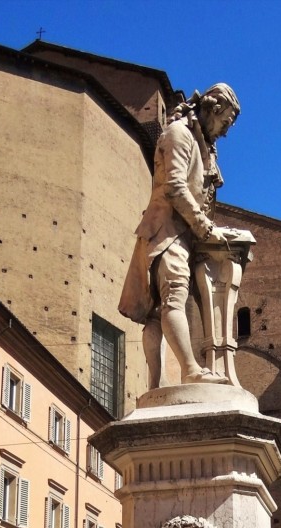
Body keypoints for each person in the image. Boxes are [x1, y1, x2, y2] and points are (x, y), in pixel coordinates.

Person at [118, 83, 240, 390]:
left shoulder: (199, 143)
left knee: (157, 313)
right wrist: (204, 227)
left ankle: (154, 386)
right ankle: (189, 371)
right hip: (165, 232)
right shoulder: (179, 134)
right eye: (224, 122)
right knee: (172, 298)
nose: (225, 132)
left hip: (175, 234)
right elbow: (174, 186)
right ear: (213, 110)